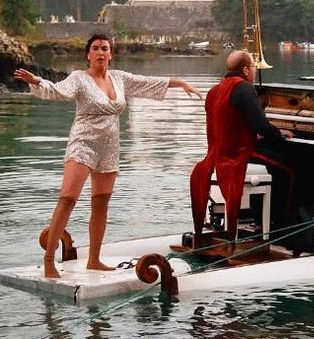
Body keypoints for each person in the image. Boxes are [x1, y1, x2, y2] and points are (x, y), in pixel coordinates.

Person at [13, 33, 202, 278]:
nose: (100, 52)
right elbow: (59, 92)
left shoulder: (120, 78)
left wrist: (180, 83)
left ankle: (94, 259)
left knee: (101, 203)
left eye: (105, 48)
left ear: (111, 54)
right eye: (95, 48)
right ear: (88, 54)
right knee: (68, 198)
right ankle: (49, 259)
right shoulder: (79, 78)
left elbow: (148, 83)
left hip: (110, 147)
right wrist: (38, 81)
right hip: (83, 143)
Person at [189, 50, 294, 245]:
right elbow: (261, 126)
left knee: (274, 160)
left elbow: (232, 123)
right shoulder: (244, 88)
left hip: (216, 155)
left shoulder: (214, 91)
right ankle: (280, 225)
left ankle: (258, 220)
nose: (254, 71)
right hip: (237, 154)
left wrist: (259, 133)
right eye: (253, 67)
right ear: (245, 70)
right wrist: (279, 134)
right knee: (288, 169)